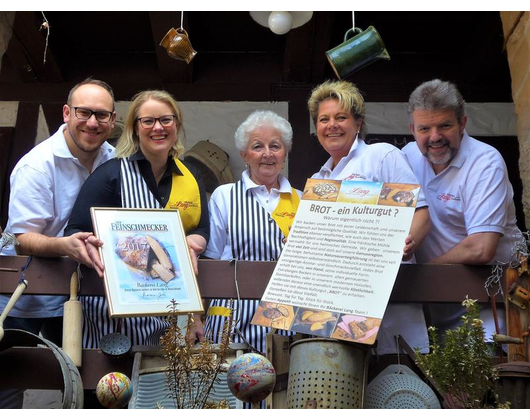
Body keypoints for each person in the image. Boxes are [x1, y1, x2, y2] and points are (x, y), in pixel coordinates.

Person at [0, 77, 116, 409]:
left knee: (77, 379)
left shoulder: (113, 159)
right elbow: (21, 239)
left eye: (102, 115)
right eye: (84, 112)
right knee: (10, 381)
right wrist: (65, 245)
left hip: (78, 293)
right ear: (66, 113)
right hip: (24, 292)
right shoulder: (37, 166)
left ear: (112, 119)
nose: (93, 122)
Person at [65, 90, 210, 349]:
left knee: (157, 385)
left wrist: (191, 242)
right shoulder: (111, 175)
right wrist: (92, 247)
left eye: (166, 120)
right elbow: (75, 229)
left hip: (168, 313)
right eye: (148, 121)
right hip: (111, 315)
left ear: (177, 124)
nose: (158, 128)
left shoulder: (191, 176)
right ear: (135, 127)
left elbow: (201, 227)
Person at [308, 80, 431, 354]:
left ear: (358, 122)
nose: (332, 125)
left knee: (401, 377)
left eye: (341, 117)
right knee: (350, 382)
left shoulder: (381, 155)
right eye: (324, 119)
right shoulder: (318, 180)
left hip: (389, 290)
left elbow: (420, 213)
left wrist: (407, 245)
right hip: (340, 301)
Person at [403, 79, 522, 338]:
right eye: (425, 128)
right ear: (412, 129)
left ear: (463, 123)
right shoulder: (407, 157)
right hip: (433, 303)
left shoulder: (485, 162)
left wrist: (421, 275)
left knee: (487, 374)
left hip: (491, 304)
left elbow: (481, 247)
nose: (435, 137)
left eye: (444, 125)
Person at [199, 110, 301, 356]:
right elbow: (209, 261)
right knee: (227, 391)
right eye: (258, 146)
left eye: (275, 146)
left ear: (285, 153)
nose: (267, 154)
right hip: (231, 321)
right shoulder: (225, 196)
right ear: (244, 154)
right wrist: (195, 317)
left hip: (283, 322)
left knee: (280, 389)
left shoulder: (302, 201)